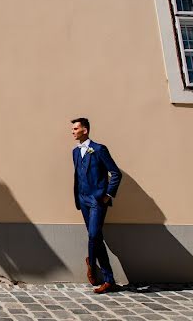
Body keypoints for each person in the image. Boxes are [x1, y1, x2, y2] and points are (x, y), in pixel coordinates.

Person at [71, 117, 121, 294]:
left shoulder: (99, 149)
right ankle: (103, 275)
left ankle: (95, 267)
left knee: (93, 235)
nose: (72, 131)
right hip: (83, 199)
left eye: (76, 128)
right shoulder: (75, 152)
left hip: (97, 200)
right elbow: (78, 176)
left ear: (85, 130)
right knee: (96, 237)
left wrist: (108, 195)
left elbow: (115, 173)